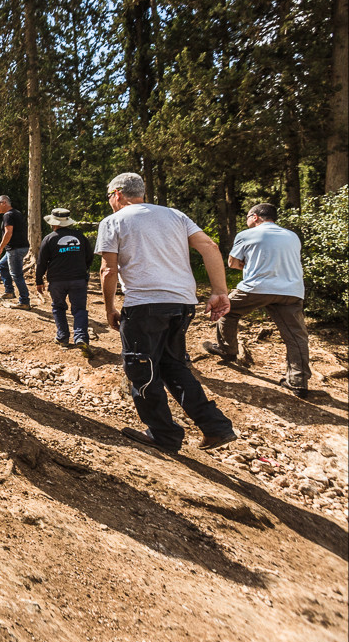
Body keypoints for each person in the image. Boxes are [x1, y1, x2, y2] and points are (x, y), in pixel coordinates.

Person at [96, 172, 238, 453]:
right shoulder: (175, 215)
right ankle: (216, 427)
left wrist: (110, 307)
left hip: (144, 305)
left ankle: (163, 434)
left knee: (141, 369)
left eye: (109, 196)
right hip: (182, 304)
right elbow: (209, 246)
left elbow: (109, 269)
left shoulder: (113, 221)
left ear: (117, 195)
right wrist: (219, 290)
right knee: (173, 366)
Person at [203, 203, 310, 398]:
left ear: (255, 217)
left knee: (227, 309)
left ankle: (227, 350)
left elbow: (232, 263)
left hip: (257, 288)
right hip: (292, 291)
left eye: (247, 218)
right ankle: (298, 382)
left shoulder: (246, 234)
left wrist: (249, 263)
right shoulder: (292, 236)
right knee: (296, 336)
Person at [35, 208, 94, 356]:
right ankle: (81, 337)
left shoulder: (49, 239)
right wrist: (83, 269)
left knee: (59, 307)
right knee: (79, 309)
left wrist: (38, 280)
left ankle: (63, 338)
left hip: (57, 281)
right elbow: (89, 256)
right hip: (78, 279)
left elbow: (41, 262)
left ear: (53, 223)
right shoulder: (80, 237)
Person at [0, 195, 31, 309]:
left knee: (16, 275)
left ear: (4, 203)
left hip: (15, 249)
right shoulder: (17, 213)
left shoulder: (8, 215)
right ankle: (9, 291)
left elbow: (8, 233)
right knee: (2, 266)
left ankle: (24, 301)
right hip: (22, 248)